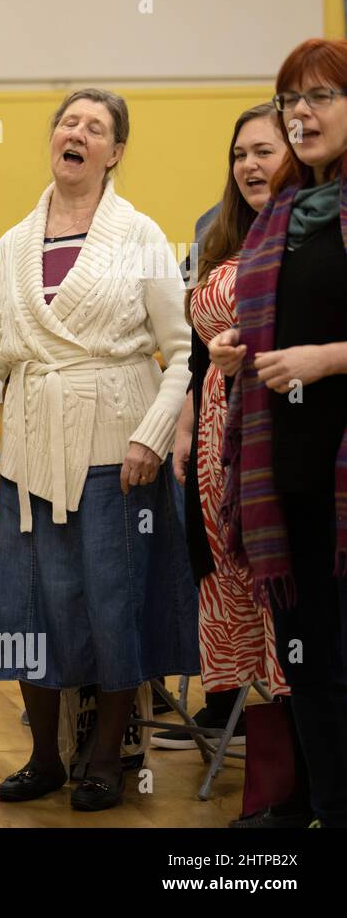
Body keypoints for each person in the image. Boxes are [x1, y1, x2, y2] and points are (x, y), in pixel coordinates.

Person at [0, 88, 197, 811]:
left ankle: (104, 757)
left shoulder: (142, 236)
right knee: (31, 607)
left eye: (96, 127)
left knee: (110, 606)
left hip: (114, 452)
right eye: (69, 121)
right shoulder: (11, 244)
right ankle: (42, 757)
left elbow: (183, 352)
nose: (78, 133)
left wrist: (151, 436)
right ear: (54, 139)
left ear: (114, 152)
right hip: (29, 451)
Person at [212, 37, 347, 827]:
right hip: (287, 473)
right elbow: (271, 326)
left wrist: (327, 360)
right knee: (313, 667)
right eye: (291, 98)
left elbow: (320, 342)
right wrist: (241, 355)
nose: (302, 113)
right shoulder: (285, 212)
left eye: (322, 96)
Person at [158, 105, 291, 755]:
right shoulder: (214, 228)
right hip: (214, 420)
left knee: (277, 575)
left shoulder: (313, 223)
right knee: (219, 565)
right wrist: (185, 420)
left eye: (263, 151)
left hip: (278, 418)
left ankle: (295, 745)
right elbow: (195, 345)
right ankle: (234, 705)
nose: (249, 165)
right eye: (240, 154)